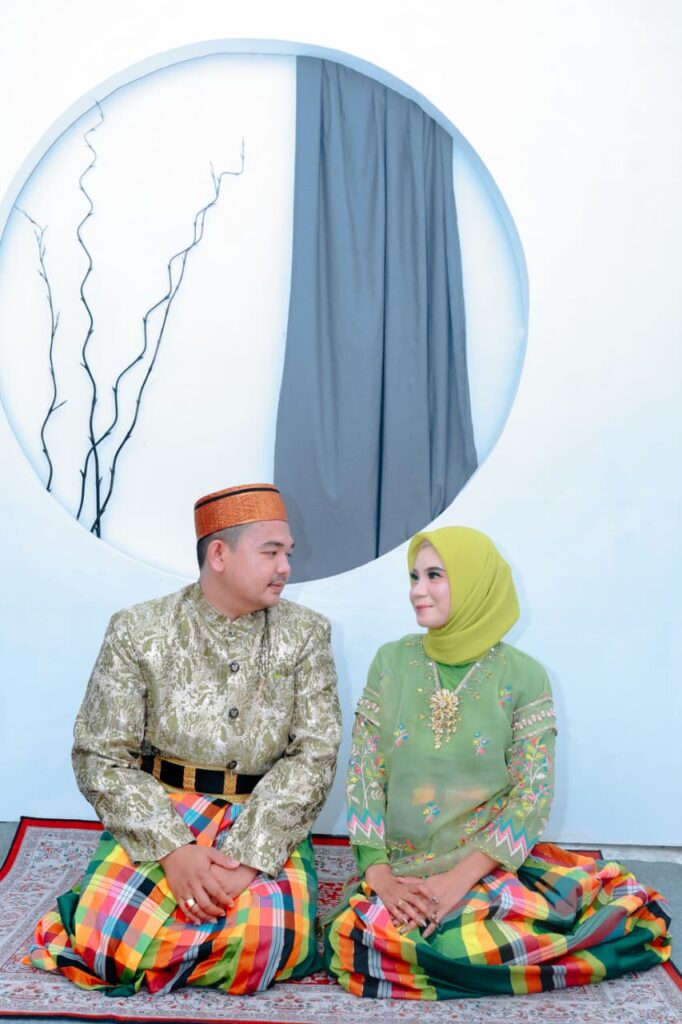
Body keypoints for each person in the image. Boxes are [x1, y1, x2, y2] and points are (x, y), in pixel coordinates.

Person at [323, 526, 671, 999]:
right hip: (403, 866)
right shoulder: (391, 662)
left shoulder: (523, 675)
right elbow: (364, 775)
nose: (417, 590)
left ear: (475, 584)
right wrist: (379, 875)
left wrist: (456, 881)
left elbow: (533, 794)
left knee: (464, 945)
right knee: (356, 942)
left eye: (434, 576)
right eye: (414, 576)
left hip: (484, 864)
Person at [27, 483, 342, 996]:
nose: (285, 566)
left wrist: (247, 859)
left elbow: (315, 753)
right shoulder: (138, 630)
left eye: (288, 553)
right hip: (163, 811)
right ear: (219, 554)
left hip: (260, 811)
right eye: (270, 552)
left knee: (267, 944)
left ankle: (203, 932)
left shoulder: (305, 633)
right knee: (109, 945)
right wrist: (173, 851)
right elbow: (99, 753)